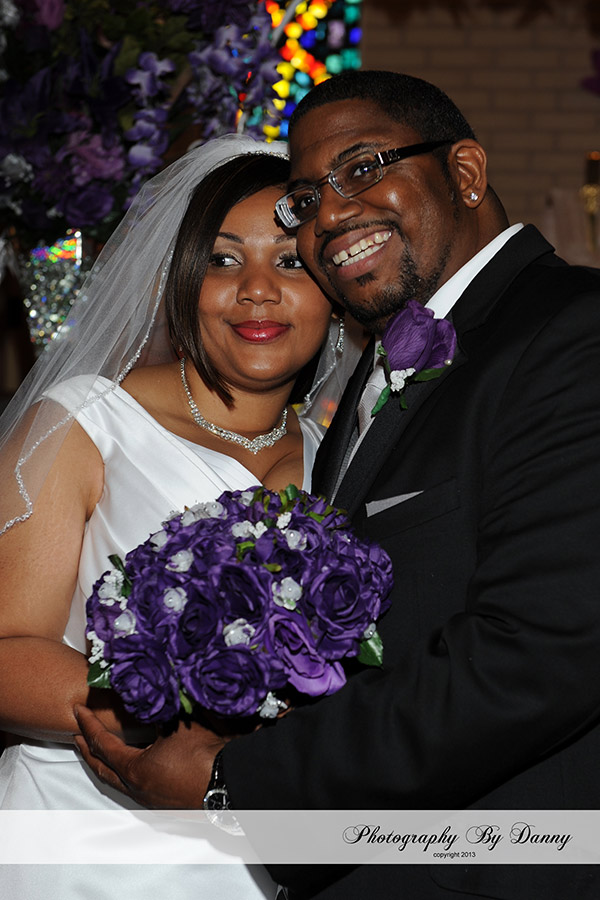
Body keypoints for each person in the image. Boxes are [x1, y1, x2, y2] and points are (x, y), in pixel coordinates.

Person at [75, 70, 600, 900]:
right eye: (307, 199)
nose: (329, 215)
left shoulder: (572, 332)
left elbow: (541, 652)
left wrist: (237, 784)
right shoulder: (375, 374)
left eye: (362, 168)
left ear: (465, 172)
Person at [0, 133, 351, 899]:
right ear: (182, 281)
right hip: (82, 839)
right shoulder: (89, 421)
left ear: (334, 287)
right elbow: (7, 651)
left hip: (258, 846)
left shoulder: (345, 457)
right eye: (223, 260)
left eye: (290, 263)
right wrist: (188, 711)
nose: (256, 290)